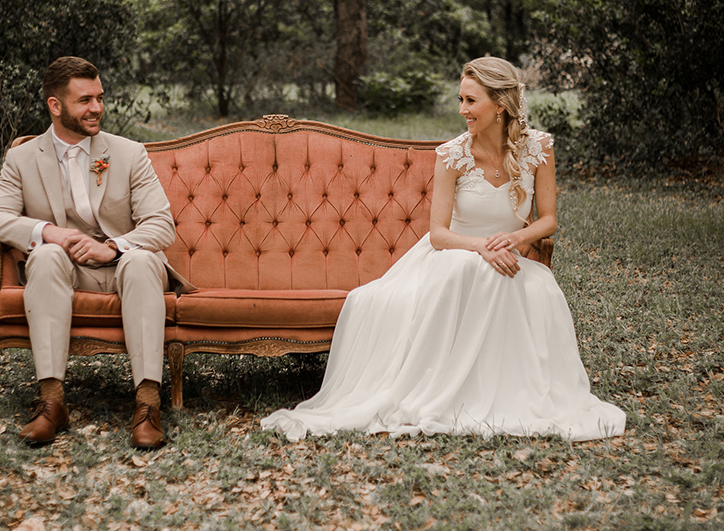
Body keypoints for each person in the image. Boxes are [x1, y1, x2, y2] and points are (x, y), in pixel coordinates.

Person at [261, 56, 625, 442]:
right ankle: (449, 390)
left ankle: (510, 390)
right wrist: (482, 247)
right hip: (453, 254)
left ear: (500, 105)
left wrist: (515, 240)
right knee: (469, 270)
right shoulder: (453, 155)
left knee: (536, 286)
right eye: (461, 99)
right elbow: (438, 234)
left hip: (508, 254)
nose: (462, 110)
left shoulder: (539, 149)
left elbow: (548, 220)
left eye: (471, 101)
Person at [0, 56, 192, 448]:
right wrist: (48, 232)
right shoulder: (23, 159)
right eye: (85, 100)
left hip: (124, 265)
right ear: (55, 106)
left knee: (143, 259)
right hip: (65, 269)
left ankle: (147, 405)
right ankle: (52, 403)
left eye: (100, 98)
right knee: (42, 255)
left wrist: (112, 247)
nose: (97, 108)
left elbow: (161, 225)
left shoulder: (127, 153)